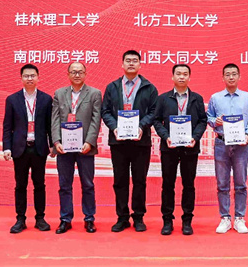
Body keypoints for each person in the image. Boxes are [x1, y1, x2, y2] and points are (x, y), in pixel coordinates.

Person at [101, 50, 158, 233]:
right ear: (122, 64)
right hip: (118, 141)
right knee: (120, 180)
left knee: (140, 181)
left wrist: (141, 126)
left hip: (141, 141)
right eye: (128, 60)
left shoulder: (149, 88)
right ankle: (122, 217)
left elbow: (154, 112)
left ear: (140, 65)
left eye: (135, 60)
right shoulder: (112, 87)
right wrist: (114, 127)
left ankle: (139, 217)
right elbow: (105, 111)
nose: (131, 63)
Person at [153, 64, 207, 236]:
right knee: (168, 185)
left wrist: (195, 137)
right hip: (169, 147)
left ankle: (187, 220)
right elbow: (156, 120)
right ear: (172, 77)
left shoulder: (197, 98)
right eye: (178, 74)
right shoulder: (163, 98)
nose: (182, 77)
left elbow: (203, 121)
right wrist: (166, 136)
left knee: (189, 185)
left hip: (190, 148)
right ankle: (167, 220)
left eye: (185, 74)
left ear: (189, 77)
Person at [207, 63, 248, 234]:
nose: (231, 77)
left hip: (241, 145)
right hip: (221, 143)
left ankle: (239, 218)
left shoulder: (247, 97)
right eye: (227, 74)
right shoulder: (215, 98)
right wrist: (215, 121)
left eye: (234, 74)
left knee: (241, 183)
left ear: (239, 76)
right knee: (222, 183)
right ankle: (225, 218)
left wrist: (247, 134)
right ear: (222, 77)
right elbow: (208, 117)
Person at [51, 62, 102, 234]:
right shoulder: (59, 93)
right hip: (64, 148)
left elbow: (96, 119)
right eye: (73, 72)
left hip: (85, 147)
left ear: (85, 74)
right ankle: (65, 219)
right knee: (64, 185)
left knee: (87, 184)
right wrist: (56, 141)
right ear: (68, 74)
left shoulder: (94, 93)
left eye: (80, 72)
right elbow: (55, 119)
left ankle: (89, 219)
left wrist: (90, 142)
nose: (77, 75)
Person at [2, 64, 53, 233]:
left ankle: (40, 218)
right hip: (19, 149)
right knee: (20, 185)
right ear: (21, 78)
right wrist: (6, 147)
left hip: (39, 148)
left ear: (38, 77)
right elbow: (7, 126)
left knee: (40, 184)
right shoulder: (12, 99)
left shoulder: (46, 99)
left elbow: (49, 126)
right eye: (26, 76)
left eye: (32, 76)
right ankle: (20, 219)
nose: (29, 78)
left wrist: (53, 145)